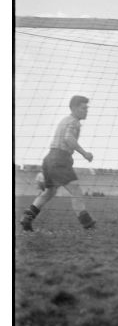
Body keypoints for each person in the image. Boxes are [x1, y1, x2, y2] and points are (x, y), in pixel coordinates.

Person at [19, 95, 96, 232]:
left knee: (50, 191)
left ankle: (27, 218)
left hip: (49, 158)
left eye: (87, 108)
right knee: (76, 191)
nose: (86, 111)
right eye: (83, 108)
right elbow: (68, 138)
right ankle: (88, 225)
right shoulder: (74, 122)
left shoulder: (64, 120)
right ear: (73, 108)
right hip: (60, 159)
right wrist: (85, 153)